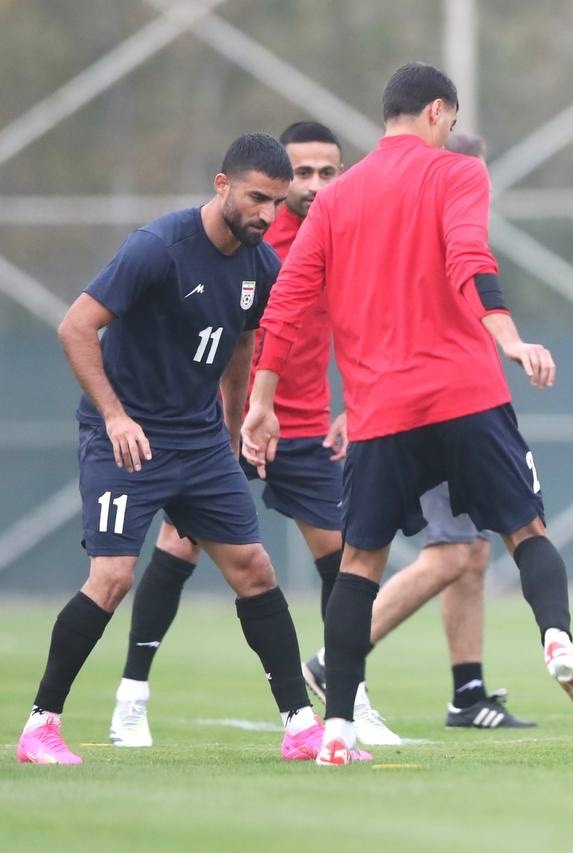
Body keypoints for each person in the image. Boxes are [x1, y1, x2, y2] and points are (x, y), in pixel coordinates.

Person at [243, 63, 573, 766]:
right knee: (524, 530)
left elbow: (286, 302)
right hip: (467, 393)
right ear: (440, 113)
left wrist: (260, 403)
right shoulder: (456, 174)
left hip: (381, 410)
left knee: (359, 563)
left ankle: (342, 728)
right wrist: (507, 337)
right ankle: (556, 639)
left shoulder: (334, 200)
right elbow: (468, 256)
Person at [17, 133, 334, 765]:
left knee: (254, 569)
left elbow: (244, 344)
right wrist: (114, 417)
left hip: (200, 441)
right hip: (128, 441)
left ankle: (301, 724)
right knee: (112, 578)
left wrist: (240, 416)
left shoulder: (257, 265)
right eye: (255, 198)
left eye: (274, 203)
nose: (266, 215)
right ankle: (40, 727)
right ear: (221, 186)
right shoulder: (157, 248)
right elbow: (76, 327)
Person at [98, 121, 404, 747]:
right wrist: (229, 420)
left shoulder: (345, 235)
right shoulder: (250, 240)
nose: (315, 186)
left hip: (307, 424)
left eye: (329, 172)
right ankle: (132, 695)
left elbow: (365, 321)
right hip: (224, 424)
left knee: (346, 558)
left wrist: (359, 402)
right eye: (304, 174)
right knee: (177, 551)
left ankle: (351, 697)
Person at [302, 130, 536, 731]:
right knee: (453, 551)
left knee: (472, 553)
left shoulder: (452, 230)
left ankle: (468, 692)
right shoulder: (430, 224)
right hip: (432, 414)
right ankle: (337, 659)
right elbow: (387, 320)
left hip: (451, 404)